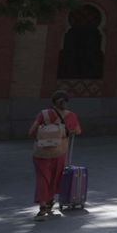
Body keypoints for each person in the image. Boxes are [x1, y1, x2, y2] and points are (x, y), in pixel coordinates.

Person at [27, 90, 80, 220]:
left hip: (41, 153)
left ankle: (42, 206)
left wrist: (41, 138)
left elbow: (31, 131)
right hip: (59, 152)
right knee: (55, 178)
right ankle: (50, 201)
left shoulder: (43, 114)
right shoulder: (71, 116)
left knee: (42, 178)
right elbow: (78, 131)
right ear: (66, 102)